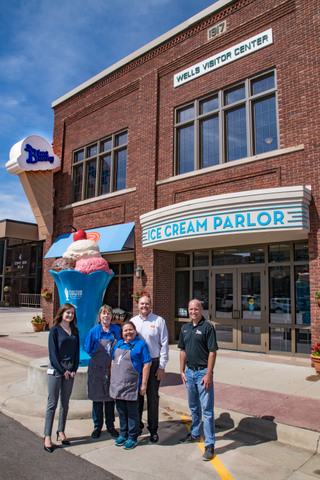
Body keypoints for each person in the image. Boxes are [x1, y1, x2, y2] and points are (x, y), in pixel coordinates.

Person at [178, 299, 218, 462]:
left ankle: (209, 445)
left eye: (196, 309)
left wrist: (209, 374)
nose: (193, 311)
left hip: (202, 374)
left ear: (201, 310)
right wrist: (181, 370)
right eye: (190, 309)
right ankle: (195, 433)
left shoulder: (207, 327)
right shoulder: (185, 328)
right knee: (194, 406)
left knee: (207, 411)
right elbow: (182, 350)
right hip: (190, 373)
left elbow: (212, 352)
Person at [131, 294, 169, 443]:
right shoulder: (133, 322)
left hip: (153, 364)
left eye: (147, 304)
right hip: (137, 365)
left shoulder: (159, 321)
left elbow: (164, 344)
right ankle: (138, 425)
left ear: (150, 305)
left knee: (152, 398)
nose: (144, 306)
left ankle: (153, 429)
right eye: (141, 304)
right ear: (138, 305)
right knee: (137, 397)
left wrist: (161, 366)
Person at [109, 321, 152, 450]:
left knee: (132, 412)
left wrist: (144, 384)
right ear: (122, 333)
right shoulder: (119, 344)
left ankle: (132, 436)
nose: (128, 332)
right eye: (125, 330)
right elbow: (113, 360)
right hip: (118, 384)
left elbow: (147, 364)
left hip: (132, 385)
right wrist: (112, 378)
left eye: (130, 329)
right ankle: (123, 434)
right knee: (121, 411)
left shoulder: (141, 345)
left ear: (135, 331)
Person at [44, 303, 80, 453]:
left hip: (69, 370)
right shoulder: (54, 330)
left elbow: (77, 353)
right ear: (62, 313)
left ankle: (61, 431)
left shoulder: (75, 331)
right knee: (52, 403)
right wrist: (62, 370)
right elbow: (53, 353)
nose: (70, 315)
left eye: (72, 313)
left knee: (65, 403)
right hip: (56, 369)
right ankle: (47, 436)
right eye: (67, 313)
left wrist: (73, 369)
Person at [84, 304, 121, 439]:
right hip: (96, 370)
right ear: (99, 316)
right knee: (97, 399)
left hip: (112, 369)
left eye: (109, 313)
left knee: (111, 399)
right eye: (103, 314)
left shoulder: (117, 330)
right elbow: (88, 348)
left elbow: (122, 345)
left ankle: (110, 426)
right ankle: (97, 426)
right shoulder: (93, 331)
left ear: (112, 316)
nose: (106, 316)